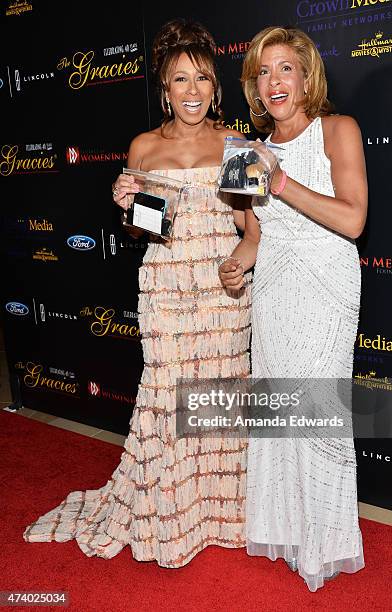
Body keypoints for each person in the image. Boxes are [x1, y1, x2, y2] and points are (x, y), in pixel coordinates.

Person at [23, 19, 251, 568]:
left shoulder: (238, 144)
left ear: (215, 87)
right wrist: (125, 202)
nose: (192, 91)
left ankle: (219, 516)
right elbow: (138, 231)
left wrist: (243, 260)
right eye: (180, 80)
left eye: (201, 78)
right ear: (164, 89)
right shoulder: (143, 146)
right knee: (167, 399)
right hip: (167, 290)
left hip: (223, 294)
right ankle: (169, 517)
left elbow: (253, 224)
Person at [219, 26, 367, 591]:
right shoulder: (245, 151)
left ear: (306, 76)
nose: (274, 81)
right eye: (263, 71)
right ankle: (287, 529)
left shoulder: (339, 129)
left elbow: (353, 219)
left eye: (285, 68)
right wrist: (237, 263)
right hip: (275, 289)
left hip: (326, 285)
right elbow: (256, 235)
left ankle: (325, 544)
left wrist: (279, 180)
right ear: (254, 87)